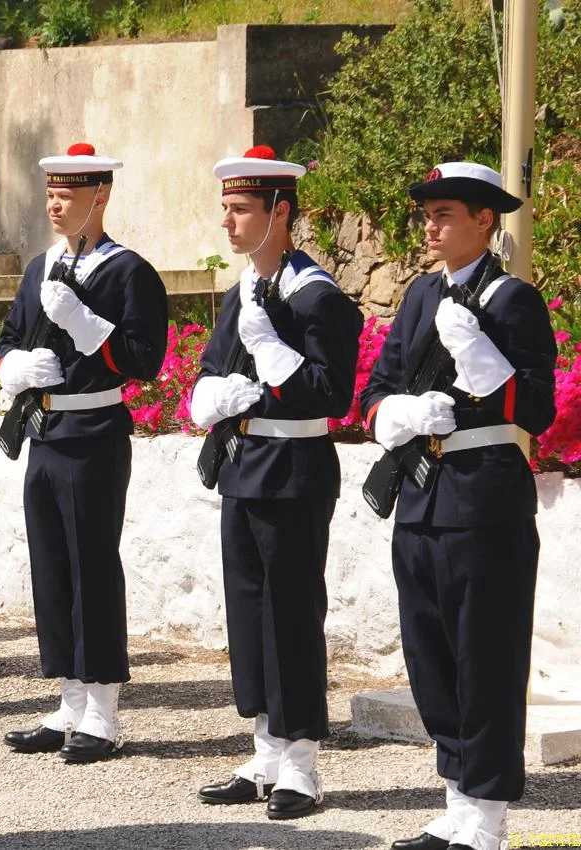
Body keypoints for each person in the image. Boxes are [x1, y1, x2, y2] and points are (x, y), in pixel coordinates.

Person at [362, 162, 556, 850]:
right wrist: (397, 413)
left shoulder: (513, 300)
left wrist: (479, 355)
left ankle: (488, 817)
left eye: (444, 214)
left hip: (484, 500)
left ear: (484, 220)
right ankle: (457, 798)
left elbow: (537, 407)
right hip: (420, 496)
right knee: (431, 658)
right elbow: (376, 388)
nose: (431, 226)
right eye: (427, 215)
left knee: (487, 657)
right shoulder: (420, 295)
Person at [189, 146, 363, 819]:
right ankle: (265, 753)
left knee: (290, 617)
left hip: (293, 471)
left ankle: (301, 766)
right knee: (249, 615)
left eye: (241, 209)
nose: (227, 221)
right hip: (244, 469)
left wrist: (269, 352)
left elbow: (331, 393)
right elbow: (215, 366)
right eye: (226, 208)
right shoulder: (245, 290)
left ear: (279, 211)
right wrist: (213, 393)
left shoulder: (316, 297)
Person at [0, 143, 167, 763]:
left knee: (92, 567)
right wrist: (14, 367)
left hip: (94, 432)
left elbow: (145, 358)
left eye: (67, 195)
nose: (55, 204)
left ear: (101, 196)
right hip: (45, 431)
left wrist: (85, 324)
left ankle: (103, 711)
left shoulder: (128, 272)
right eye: (51, 194)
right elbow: (8, 338)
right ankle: (69, 700)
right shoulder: (40, 267)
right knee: (52, 568)